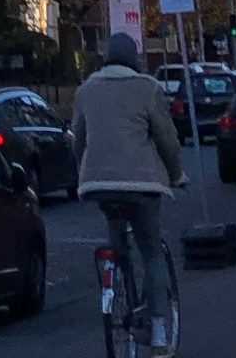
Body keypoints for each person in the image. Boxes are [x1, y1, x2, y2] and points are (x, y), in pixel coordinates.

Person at [71, 33, 187, 357]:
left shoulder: (86, 90)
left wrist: (84, 172)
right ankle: (159, 332)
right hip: (142, 185)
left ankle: (115, 278)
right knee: (151, 251)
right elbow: (167, 139)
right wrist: (176, 174)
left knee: (117, 238)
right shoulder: (148, 88)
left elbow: (78, 139)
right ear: (134, 58)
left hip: (98, 184)